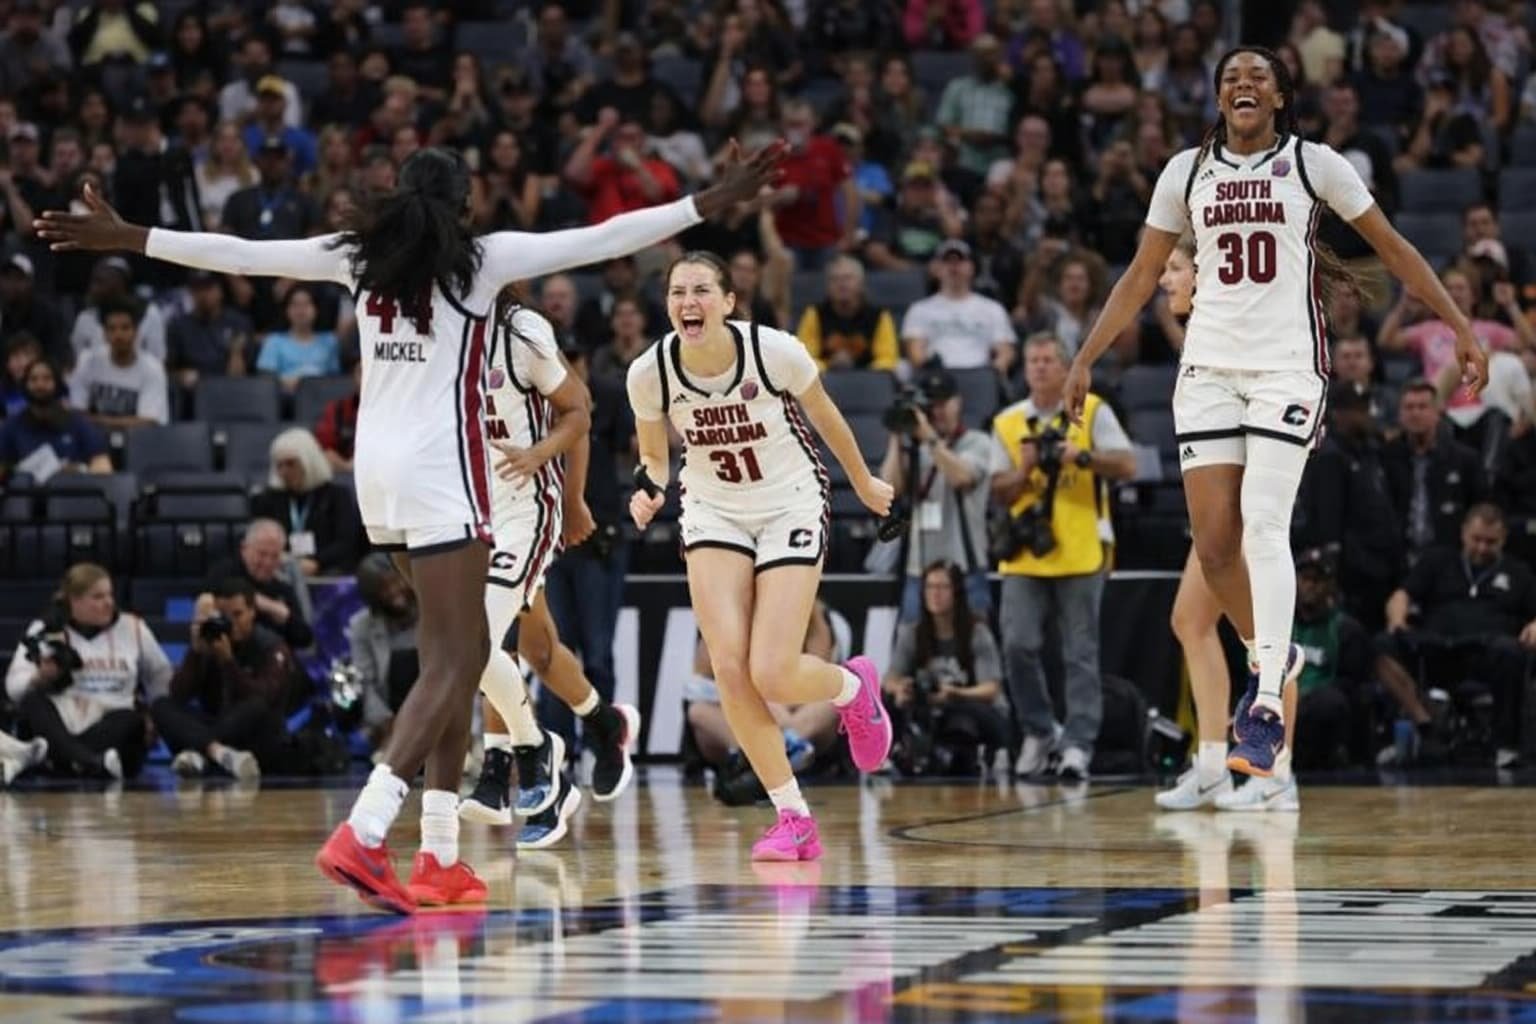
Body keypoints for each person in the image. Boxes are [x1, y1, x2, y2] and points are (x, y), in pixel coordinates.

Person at [39, 141, 783, 906]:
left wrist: (131, 237)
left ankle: (438, 856)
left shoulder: (357, 256)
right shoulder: (482, 260)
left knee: (452, 660)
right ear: (465, 206)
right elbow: (605, 237)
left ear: (397, 197)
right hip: (442, 477)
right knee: (457, 663)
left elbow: (241, 254)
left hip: (374, 483)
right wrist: (713, 200)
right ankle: (365, 832)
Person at [1064, 44, 1487, 780]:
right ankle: (1278, 648)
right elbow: (1140, 274)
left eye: (1257, 76)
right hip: (1208, 370)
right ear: (1219, 99)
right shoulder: (1185, 172)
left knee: (1263, 522)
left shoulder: (1314, 164)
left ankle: (1262, 704)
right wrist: (1084, 357)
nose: (1243, 85)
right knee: (1216, 545)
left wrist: (1460, 324)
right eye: (1230, 78)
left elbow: (1392, 248)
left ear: (1283, 97)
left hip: (1288, 368)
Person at [628, 251, 894, 862]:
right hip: (714, 509)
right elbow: (655, 459)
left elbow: (826, 417)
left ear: (728, 302)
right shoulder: (650, 373)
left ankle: (853, 688)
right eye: (676, 293)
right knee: (729, 668)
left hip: (789, 501)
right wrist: (648, 491)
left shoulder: (774, 350)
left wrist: (863, 481)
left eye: (700, 290)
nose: (687, 302)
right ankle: (793, 818)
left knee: (772, 669)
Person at [457, 296, 644, 853]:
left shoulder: (520, 334)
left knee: (486, 640)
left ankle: (515, 760)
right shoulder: (440, 338)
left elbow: (579, 416)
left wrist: (573, 497)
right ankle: (604, 724)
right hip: (475, 511)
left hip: (527, 508)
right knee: (532, 649)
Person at [991, 333, 1137, 781]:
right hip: (1025, 552)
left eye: (1048, 360)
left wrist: (1081, 456)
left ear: (1066, 366)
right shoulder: (1009, 421)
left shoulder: (1092, 410)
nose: (1038, 367)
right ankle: (1039, 730)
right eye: (1032, 360)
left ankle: (1077, 744)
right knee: (1017, 644)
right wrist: (1026, 468)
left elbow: (1129, 465)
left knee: (1080, 654)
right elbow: (998, 489)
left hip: (1081, 548)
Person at [3, 563, 171, 780]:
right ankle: (90, 763)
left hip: (110, 722)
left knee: (132, 721)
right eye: (98, 597)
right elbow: (13, 687)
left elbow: (161, 679)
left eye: (110, 595)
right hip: (62, 722)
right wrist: (40, 677)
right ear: (74, 601)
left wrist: (152, 715)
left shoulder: (133, 628)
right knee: (33, 702)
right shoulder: (44, 629)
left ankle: (56, 759)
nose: (109, 603)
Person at [879, 363, 993, 621]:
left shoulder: (977, 442)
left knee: (975, 646)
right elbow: (890, 489)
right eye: (933, 405)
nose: (938, 412)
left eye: (944, 403)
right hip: (918, 569)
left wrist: (929, 438)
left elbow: (961, 477)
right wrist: (897, 438)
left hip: (965, 566)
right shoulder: (915, 447)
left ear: (958, 403)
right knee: (912, 646)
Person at [150, 579, 297, 780]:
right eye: (223, 616)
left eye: (237, 615)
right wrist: (195, 653)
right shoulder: (210, 640)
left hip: (256, 736)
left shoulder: (271, 646)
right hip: (217, 722)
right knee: (161, 705)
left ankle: (201, 752)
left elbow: (264, 697)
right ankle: (217, 752)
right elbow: (179, 695)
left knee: (256, 706)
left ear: (252, 611)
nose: (231, 623)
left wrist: (228, 662)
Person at [883, 560, 1009, 777]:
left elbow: (991, 689)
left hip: (974, 708)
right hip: (932, 708)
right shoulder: (912, 633)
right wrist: (900, 689)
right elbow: (889, 679)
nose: (935, 594)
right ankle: (888, 753)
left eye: (942, 587)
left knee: (963, 715)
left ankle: (981, 753)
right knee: (887, 701)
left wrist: (954, 693)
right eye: (930, 587)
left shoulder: (977, 632)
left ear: (956, 592)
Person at [249, 427, 364, 576]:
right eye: (279, 465)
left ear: (308, 462)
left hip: (329, 567)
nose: (284, 472)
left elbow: (346, 542)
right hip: (282, 567)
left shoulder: (337, 495)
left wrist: (317, 561)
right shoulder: (269, 499)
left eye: (291, 464)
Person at [347, 553, 420, 753]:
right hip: (388, 716)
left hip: (431, 708)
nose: (395, 591)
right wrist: (387, 722)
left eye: (398, 581)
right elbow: (366, 684)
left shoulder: (431, 615)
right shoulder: (361, 626)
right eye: (385, 588)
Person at [208, 519, 315, 650]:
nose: (268, 563)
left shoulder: (282, 588)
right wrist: (265, 604)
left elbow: (305, 639)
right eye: (262, 554)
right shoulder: (223, 573)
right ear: (244, 549)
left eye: (275, 556)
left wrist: (284, 614)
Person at [67, 297, 170, 431]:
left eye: (125, 328)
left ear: (136, 332)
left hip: (137, 444)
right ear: (104, 334)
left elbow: (149, 424)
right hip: (93, 442)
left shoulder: (153, 368)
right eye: (112, 329)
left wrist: (96, 420)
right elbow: (76, 414)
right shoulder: (87, 361)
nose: (118, 335)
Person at [0, 357, 110, 480]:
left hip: (71, 493)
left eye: (47, 379)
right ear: (25, 385)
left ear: (57, 384)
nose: (40, 385)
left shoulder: (78, 422)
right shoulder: (12, 426)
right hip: (24, 495)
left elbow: (102, 465)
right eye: (33, 379)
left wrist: (81, 471)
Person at [254, 285, 341, 393]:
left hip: (322, 401)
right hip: (284, 402)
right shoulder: (274, 341)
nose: (301, 310)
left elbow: (335, 380)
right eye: (295, 305)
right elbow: (265, 382)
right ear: (286, 310)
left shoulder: (329, 341)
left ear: (316, 309)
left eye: (306, 304)